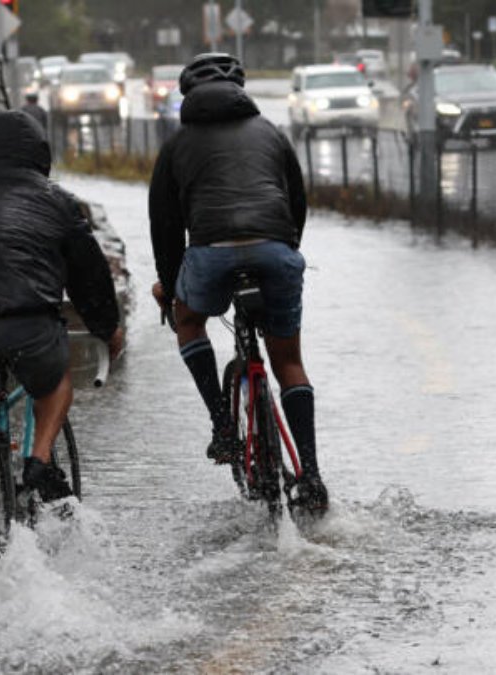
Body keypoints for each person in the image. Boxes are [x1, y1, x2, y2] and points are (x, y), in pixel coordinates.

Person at [148, 53, 328, 512]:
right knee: (287, 359)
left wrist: (170, 289)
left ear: (189, 94)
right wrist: (284, 250)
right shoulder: (272, 133)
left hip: (210, 254)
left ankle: (222, 427)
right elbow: (297, 203)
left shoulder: (176, 145)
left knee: (190, 321)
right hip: (277, 250)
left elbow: (165, 228)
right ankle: (310, 474)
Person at [0, 110, 124, 503]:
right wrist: (106, 328)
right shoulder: (57, 201)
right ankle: (40, 458)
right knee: (54, 381)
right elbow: (90, 276)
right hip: (27, 325)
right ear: (41, 154)